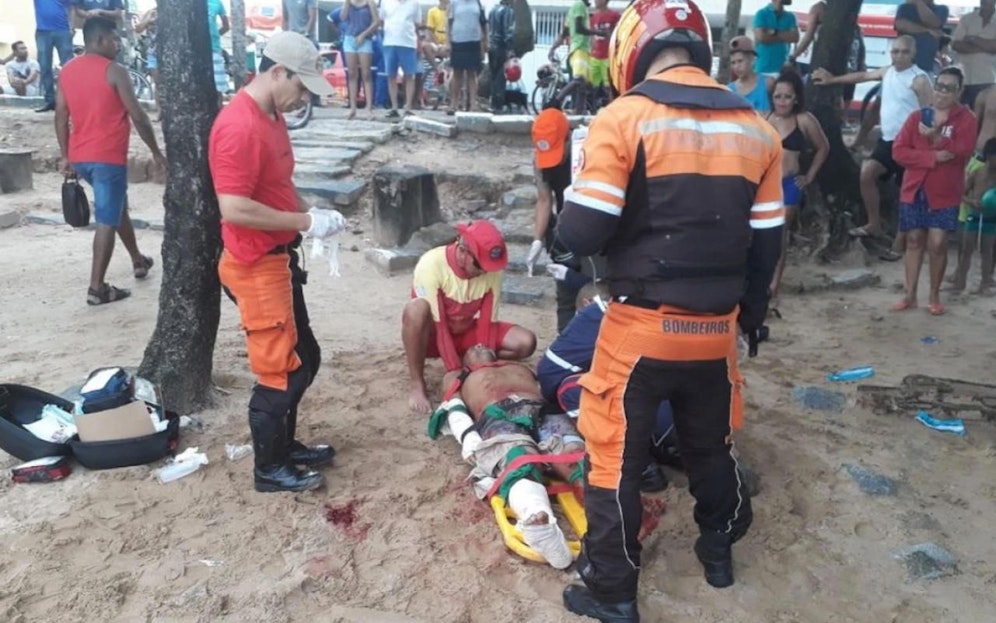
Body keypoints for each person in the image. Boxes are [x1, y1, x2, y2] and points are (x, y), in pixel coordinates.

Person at [555, 0, 783, 618]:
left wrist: (560, 198)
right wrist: (752, 318)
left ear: (633, 49)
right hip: (715, 334)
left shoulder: (623, 116)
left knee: (614, 461)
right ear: (701, 46)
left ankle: (612, 594)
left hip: (640, 331)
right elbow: (768, 245)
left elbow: (582, 231)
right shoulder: (757, 127)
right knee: (709, 447)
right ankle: (717, 554)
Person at [209, 31, 343, 493]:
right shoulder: (238, 125)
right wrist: (306, 220)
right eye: (300, 86)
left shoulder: (270, 115)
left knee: (305, 357)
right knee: (280, 370)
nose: (302, 97)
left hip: (279, 257)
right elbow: (235, 207)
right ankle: (268, 468)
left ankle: (284, 448)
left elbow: (277, 183)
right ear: (276, 72)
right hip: (253, 262)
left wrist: (312, 219)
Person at [429, 344, 580, 569]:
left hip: (543, 410)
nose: (479, 344)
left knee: (574, 456)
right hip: (497, 414)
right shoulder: (458, 375)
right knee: (519, 460)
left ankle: (602, 509)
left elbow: (548, 386)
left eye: (484, 343)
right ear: (464, 360)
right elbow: (454, 406)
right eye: (472, 347)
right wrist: (469, 438)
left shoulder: (520, 366)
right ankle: (538, 520)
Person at [55, 17, 164, 306]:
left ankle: (138, 260)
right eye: (115, 40)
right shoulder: (114, 71)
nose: (118, 45)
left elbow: (60, 117)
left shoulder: (67, 71)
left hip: (81, 158)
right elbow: (138, 115)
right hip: (107, 158)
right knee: (106, 218)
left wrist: (66, 154)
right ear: (100, 40)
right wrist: (155, 150)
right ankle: (97, 288)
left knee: (116, 208)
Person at [536, 281, 679, 494]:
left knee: (572, 388)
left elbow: (550, 373)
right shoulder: (673, 309)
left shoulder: (604, 312)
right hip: (698, 412)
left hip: (666, 413)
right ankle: (668, 452)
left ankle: (640, 466)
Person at [402, 220, 537, 414]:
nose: (484, 272)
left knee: (526, 342)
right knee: (415, 310)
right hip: (431, 337)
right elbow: (440, 329)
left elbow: (487, 323)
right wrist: (456, 373)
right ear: (463, 252)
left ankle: (468, 358)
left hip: (465, 331)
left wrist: (482, 365)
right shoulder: (431, 264)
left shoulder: (491, 271)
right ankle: (417, 383)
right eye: (479, 266)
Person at [812, 36, 932, 255]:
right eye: (894, 51)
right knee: (867, 174)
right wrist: (832, 80)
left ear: (913, 53)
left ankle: (899, 241)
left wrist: (927, 142)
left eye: (903, 52)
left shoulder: (920, 79)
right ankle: (873, 223)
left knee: (907, 194)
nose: (898, 56)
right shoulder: (888, 71)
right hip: (887, 141)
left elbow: (929, 111)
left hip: (912, 145)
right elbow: (863, 75)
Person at [892, 67, 976, 315]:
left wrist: (938, 140)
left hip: (945, 191)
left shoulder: (966, 119)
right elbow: (899, 152)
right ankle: (909, 294)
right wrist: (933, 156)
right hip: (914, 188)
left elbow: (962, 152)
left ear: (959, 91)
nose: (941, 92)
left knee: (938, 243)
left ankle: (934, 295)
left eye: (948, 88)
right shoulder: (917, 117)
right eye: (939, 86)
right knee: (914, 239)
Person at [765, 70, 830, 310]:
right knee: (761, 235)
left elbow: (823, 147)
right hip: (766, 185)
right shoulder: (766, 118)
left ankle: (773, 288)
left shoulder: (804, 120)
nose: (782, 101)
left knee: (780, 234)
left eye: (787, 97)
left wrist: (810, 175)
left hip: (790, 184)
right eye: (778, 96)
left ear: (796, 98)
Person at [527, 108, 593, 333]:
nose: (552, 163)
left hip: (589, 223)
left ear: (568, 138)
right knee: (565, 293)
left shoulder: (587, 151)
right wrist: (537, 240)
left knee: (592, 286)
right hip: (562, 229)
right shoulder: (539, 160)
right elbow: (544, 199)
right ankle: (564, 342)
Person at [789, 0, 866, 111]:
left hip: (849, 59)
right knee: (833, 96)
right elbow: (808, 36)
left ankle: (840, 121)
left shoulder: (847, 8)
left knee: (846, 97)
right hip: (830, 61)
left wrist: (862, 61)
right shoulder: (819, 8)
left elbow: (859, 37)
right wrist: (794, 56)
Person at [951, 138, 996, 294]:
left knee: (987, 250)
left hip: (991, 218)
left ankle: (984, 284)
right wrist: (971, 202)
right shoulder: (977, 172)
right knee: (967, 249)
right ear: (989, 156)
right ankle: (960, 283)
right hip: (974, 214)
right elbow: (960, 194)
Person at [380, 0, 421, 118]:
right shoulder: (385, 2)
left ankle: (408, 107)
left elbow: (417, 23)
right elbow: (381, 19)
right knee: (391, 75)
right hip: (389, 42)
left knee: (410, 75)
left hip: (408, 43)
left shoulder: (415, 3)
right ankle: (394, 107)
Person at [951, 0, 996, 108]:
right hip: (962, 79)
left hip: (987, 80)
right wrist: (986, 46)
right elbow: (956, 45)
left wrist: (972, 38)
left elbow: (994, 47)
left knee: (981, 119)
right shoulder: (967, 19)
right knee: (959, 117)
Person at [341, 0, 381, 120]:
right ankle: (352, 108)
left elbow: (376, 22)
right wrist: (347, 3)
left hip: (365, 39)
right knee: (352, 74)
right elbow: (343, 17)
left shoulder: (370, 3)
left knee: (366, 74)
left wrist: (364, 35)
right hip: (350, 38)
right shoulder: (349, 2)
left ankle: (369, 108)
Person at [33, 0, 74, 113]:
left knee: (68, 67)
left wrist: (71, 26)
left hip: (63, 30)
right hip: (42, 31)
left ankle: (69, 100)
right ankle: (50, 100)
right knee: (44, 66)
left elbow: (71, 8)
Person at [446, 0, 487, 114]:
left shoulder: (478, 4)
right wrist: (448, 42)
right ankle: (454, 104)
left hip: (474, 42)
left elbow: (484, 24)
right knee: (457, 74)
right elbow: (448, 23)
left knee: (472, 74)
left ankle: (473, 104)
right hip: (457, 41)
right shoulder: (454, 3)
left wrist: (485, 43)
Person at [895, 0, 949, 74]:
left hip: (925, 66)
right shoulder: (904, 8)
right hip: (903, 66)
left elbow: (934, 23)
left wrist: (919, 3)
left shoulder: (941, 9)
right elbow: (901, 25)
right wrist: (928, 30)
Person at [752, 0, 799, 77]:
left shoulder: (791, 16)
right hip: (763, 69)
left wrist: (774, 32)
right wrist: (785, 36)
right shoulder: (761, 13)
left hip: (783, 70)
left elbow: (795, 37)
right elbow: (761, 38)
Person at [727, 36, 773, 113]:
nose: (736, 66)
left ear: (752, 60)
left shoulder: (768, 83)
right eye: (733, 63)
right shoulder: (729, 90)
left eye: (740, 61)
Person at [487, 0, 515, 114]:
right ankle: (498, 105)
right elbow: (508, 31)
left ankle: (493, 103)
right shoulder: (508, 11)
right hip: (501, 47)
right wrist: (510, 48)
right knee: (501, 76)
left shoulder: (493, 10)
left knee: (494, 76)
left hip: (491, 46)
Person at [588, 0, 619, 103]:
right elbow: (592, 37)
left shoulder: (614, 15)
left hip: (607, 56)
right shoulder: (593, 18)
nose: (595, 1)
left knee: (608, 86)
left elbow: (618, 33)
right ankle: (592, 107)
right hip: (595, 56)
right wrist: (591, 51)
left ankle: (612, 106)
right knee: (591, 85)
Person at [133, 8, 159, 115]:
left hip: (169, 52)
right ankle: (160, 111)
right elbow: (138, 28)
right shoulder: (151, 12)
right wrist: (149, 20)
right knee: (158, 83)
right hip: (153, 52)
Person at [207, 0, 231, 96]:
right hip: (196, 50)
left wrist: (215, 35)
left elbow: (226, 26)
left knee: (219, 87)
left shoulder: (217, 3)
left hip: (214, 48)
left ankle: (219, 110)